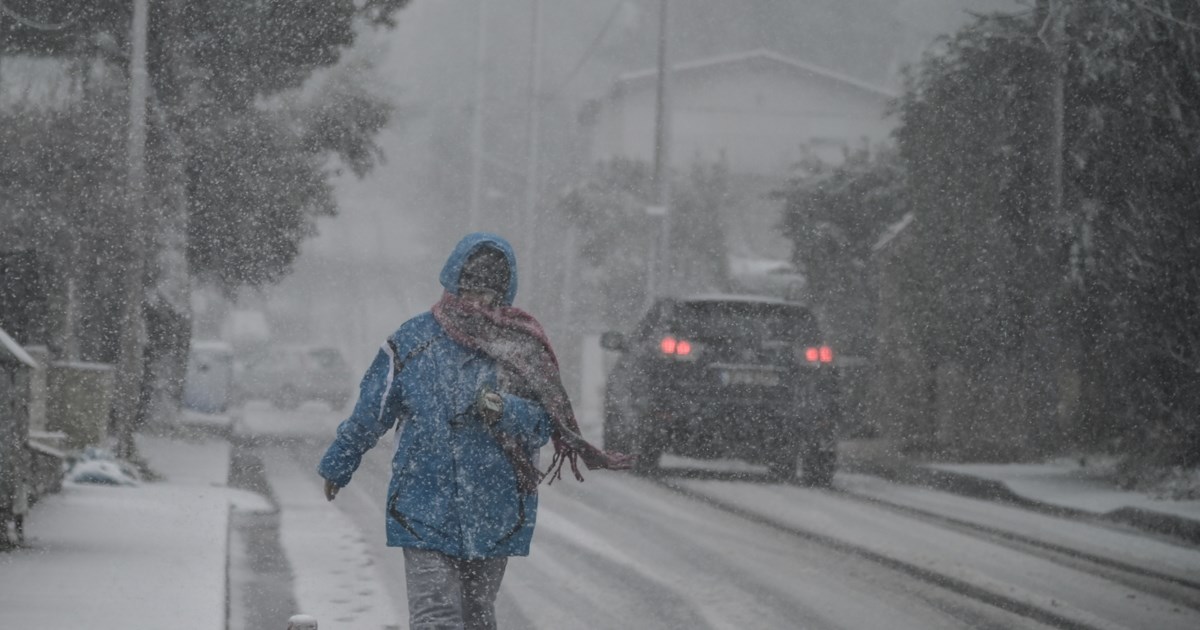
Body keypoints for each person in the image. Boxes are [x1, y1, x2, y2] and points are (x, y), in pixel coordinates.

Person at [317, 232, 631, 630]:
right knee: (435, 617)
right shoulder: (411, 342)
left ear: (503, 294)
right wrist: (339, 462)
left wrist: (505, 410)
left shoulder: (522, 349)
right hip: (422, 504)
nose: (476, 302)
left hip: (493, 509)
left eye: (487, 293)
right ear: (453, 283)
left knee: (477, 614)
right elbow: (371, 411)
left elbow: (542, 425)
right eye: (469, 290)